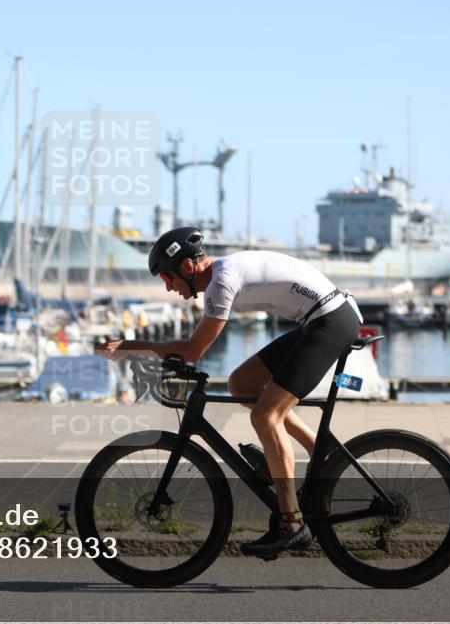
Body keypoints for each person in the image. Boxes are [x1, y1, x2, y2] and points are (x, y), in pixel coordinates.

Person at [95, 226, 362, 557]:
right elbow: (193, 348)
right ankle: (321, 452)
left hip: (330, 322)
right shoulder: (222, 275)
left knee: (266, 417)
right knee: (242, 384)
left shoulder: (221, 281)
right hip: (322, 319)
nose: (168, 287)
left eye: (167, 277)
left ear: (188, 266)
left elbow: (193, 351)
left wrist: (131, 347)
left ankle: (292, 523)